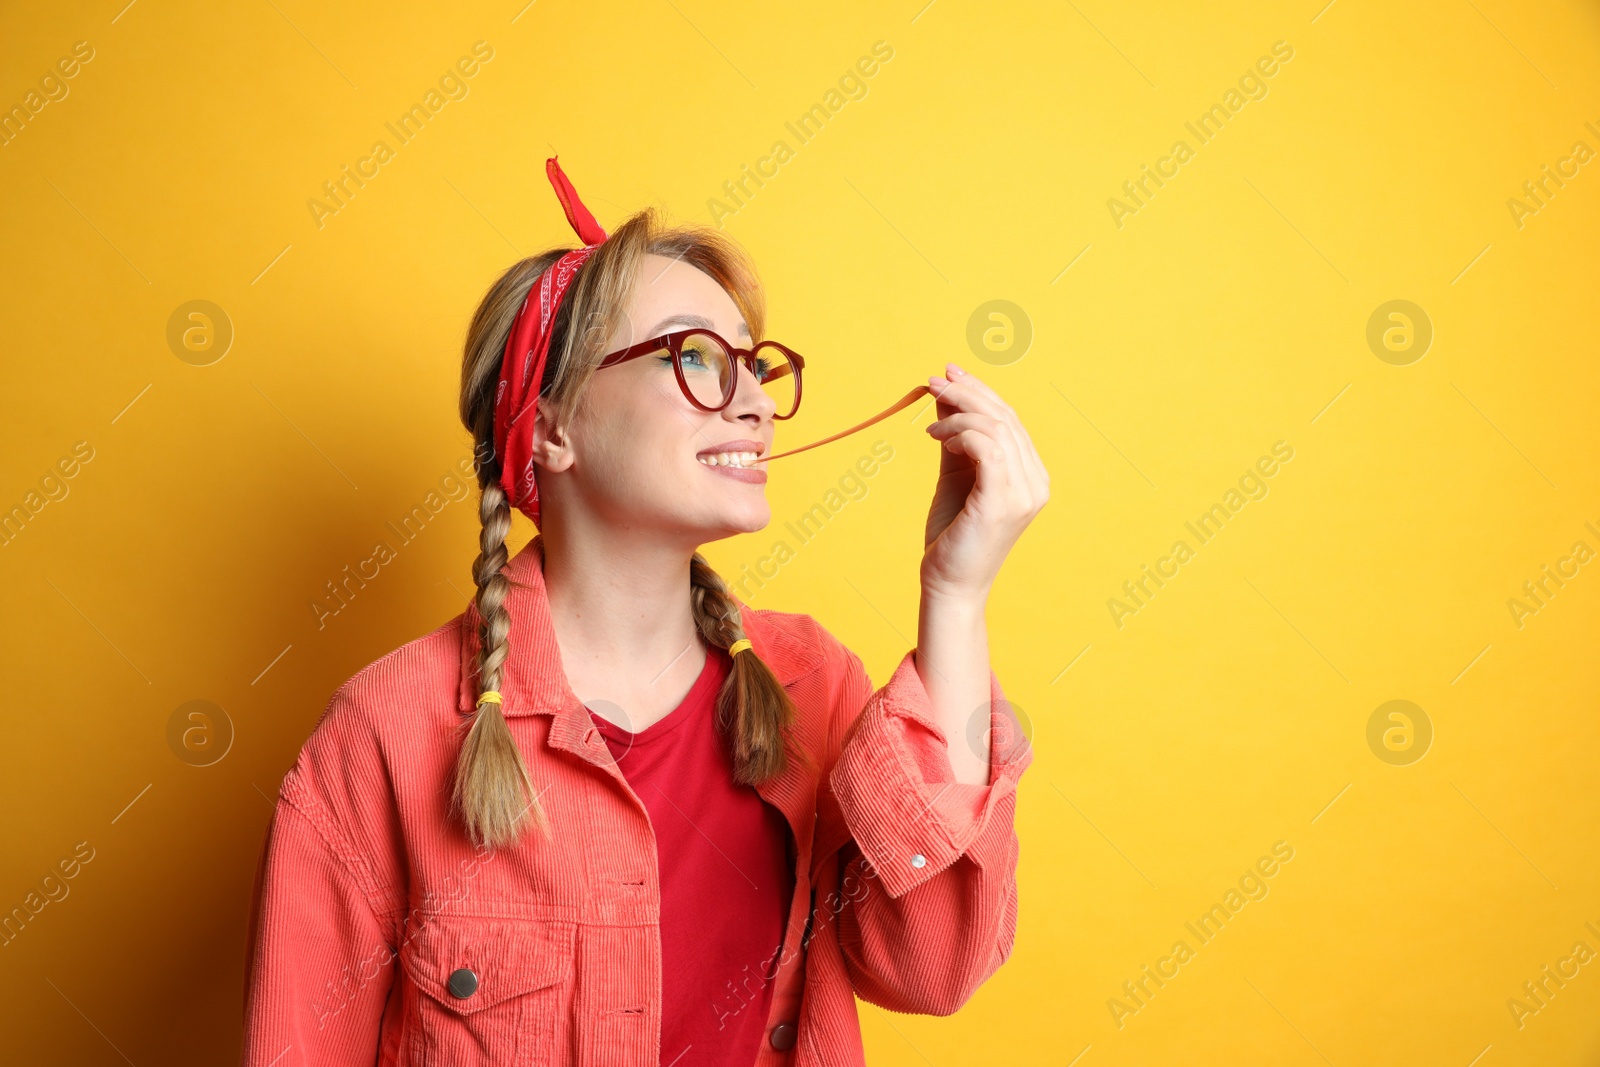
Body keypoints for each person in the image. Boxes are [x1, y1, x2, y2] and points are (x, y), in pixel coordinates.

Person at [240, 158, 1049, 1067]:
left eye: (751, 362)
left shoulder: (814, 685)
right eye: (694, 356)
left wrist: (955, 595)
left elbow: (931, 970)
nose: (751, 403)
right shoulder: (384, 731)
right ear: (552, 427)